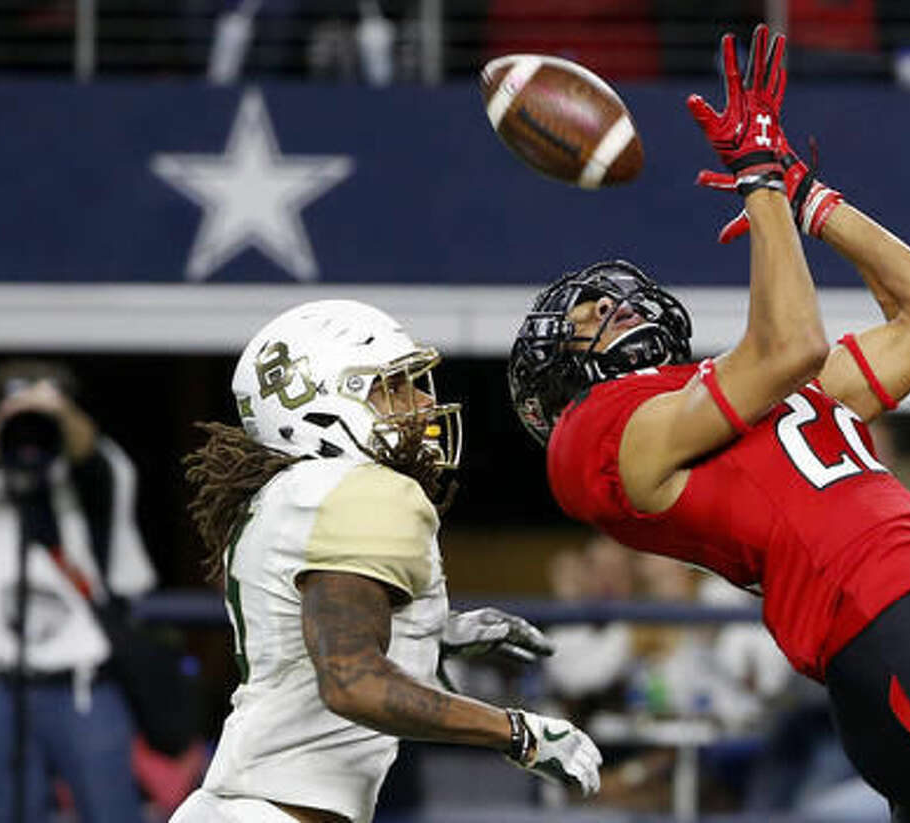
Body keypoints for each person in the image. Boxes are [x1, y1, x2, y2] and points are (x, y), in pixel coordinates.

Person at [507, 23, 910, 822]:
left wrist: (812, 199)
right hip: (881, 627)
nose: (609, 307)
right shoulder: (598, 433)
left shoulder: (742, 399)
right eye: (588, 318)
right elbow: (793, 343)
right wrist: (759, 179)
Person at [171, 299, 601, 823]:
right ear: (324, 402)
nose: (421, 401)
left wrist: (427, 633)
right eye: (392, 386)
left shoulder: (287, 492)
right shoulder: (365, 492)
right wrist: (516, 733)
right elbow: (352, 681)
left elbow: (310, 642)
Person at [0, 359, 155, 823]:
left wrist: (53, 415)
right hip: (2, 685)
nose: (29, 428)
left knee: (111, 814)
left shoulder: (99, 468)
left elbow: (86, 446)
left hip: (86, 684)